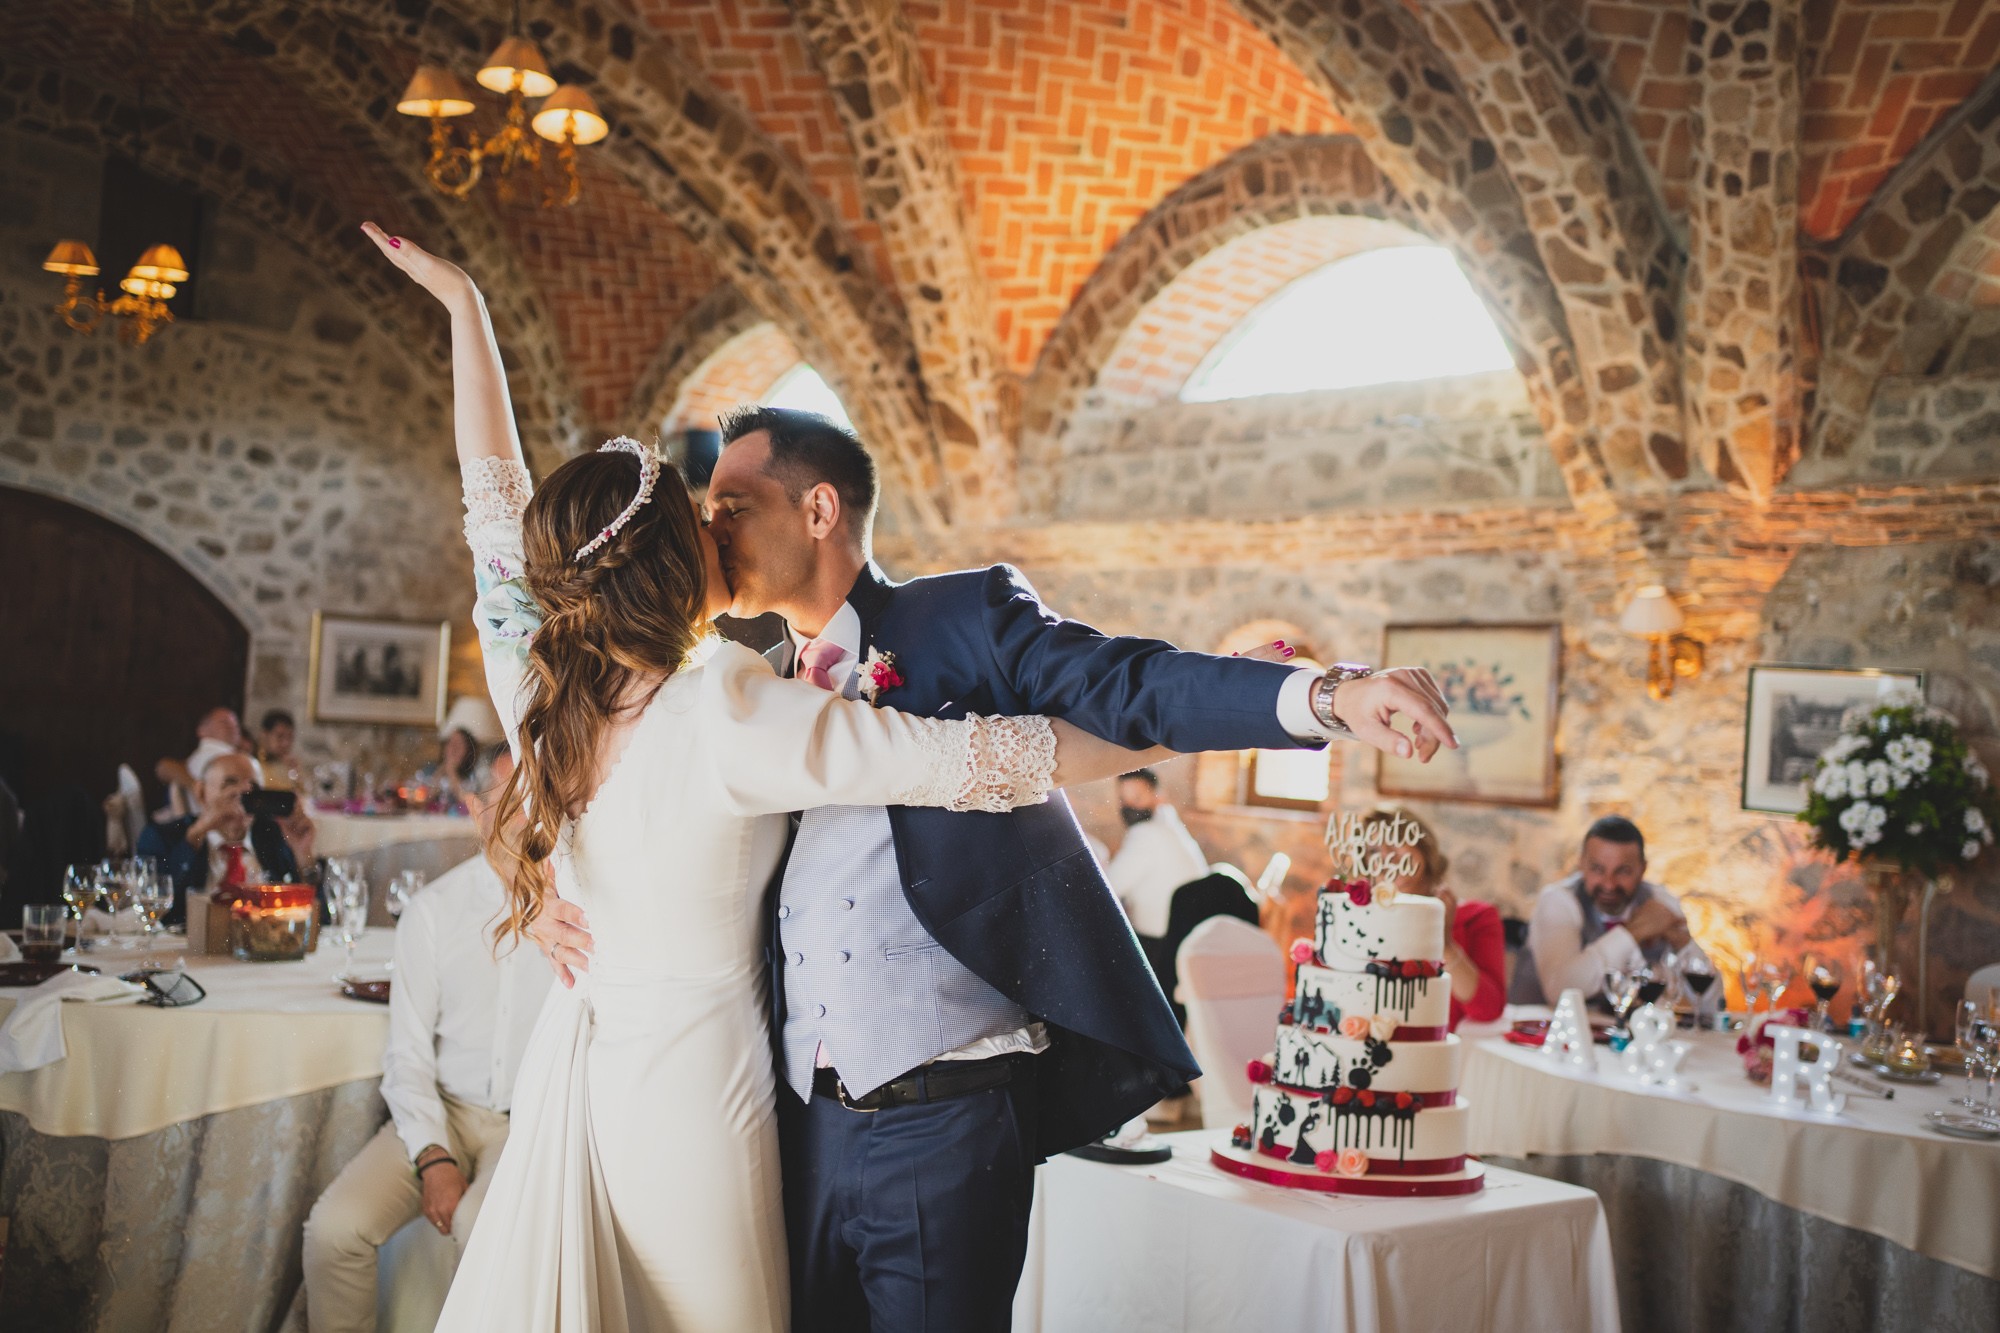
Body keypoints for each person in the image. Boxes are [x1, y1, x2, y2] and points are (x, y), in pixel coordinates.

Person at [362, 222, 1366, 1332]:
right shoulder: (725, 701)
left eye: (728, 508)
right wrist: (1208, 731)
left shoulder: (537, 694)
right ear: (666, 567)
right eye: (703, 520)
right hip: (720, 1095)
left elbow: (493, 511)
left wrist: (466, 307)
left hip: (601, 1074)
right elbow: (987, 761)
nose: (717, 529)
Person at [302, 750, 550, 1333]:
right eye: (509, 798)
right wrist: (433, 1156)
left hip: (534, 1123)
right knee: (334, 1230)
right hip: (447, 1112)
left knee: (479, 1225)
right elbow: (407, 1055)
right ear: (474, 809)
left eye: (538, 796)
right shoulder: (434, 910)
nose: (526, 814)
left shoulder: (579, 904)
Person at [1511, 814, 1704, 1005]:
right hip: (1538, 1031)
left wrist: (1683, 944)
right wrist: (1633, 932)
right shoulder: (1558, 900)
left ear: (1643, 869)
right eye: (1597, 869)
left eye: (1623, 871)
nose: (1609, 884)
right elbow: (1561, 990)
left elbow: (1712, 1006)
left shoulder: (1660, 903)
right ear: (1581, 864)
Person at [1357, 807, 1505, 1031]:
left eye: (1396, 841)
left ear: (1422, 846)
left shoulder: (1476, 917)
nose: (1388, 855)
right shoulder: (1357, 920)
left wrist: (1444, 943)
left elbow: (1488, 1009)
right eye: (1374, 851)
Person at [135, 753, 316, 923]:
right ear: (201, 793)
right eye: (230, 784)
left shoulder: (270, 836)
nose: (243, 795)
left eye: (253, 789)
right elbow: (157, 913)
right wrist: (194, 837)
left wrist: (303, 856)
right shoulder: (162, 836)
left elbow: (316, 919)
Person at [1105, 768, 1211, 942]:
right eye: (1123, 800)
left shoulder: (1147, 833)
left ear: (1158, 796)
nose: (1129, 806)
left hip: (1161, 939)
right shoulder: (1168, 823)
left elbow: (1111, 886)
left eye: (1137, 798)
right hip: (1187, 933)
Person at [153, 706, 247, 810]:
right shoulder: (222, 756)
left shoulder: (195, 759)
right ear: (201, 730)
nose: (232, 727)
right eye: (224, 723)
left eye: (236, 724)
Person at [257, 709, 304, 792]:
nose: (286, 743)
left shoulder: (291, 765)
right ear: (264, 735)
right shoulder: (253, 763)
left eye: (290, 737)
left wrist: (294, 773)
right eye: (280, 737)